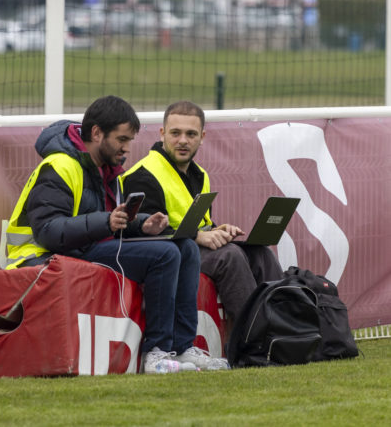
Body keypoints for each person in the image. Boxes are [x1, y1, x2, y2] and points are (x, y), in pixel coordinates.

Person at [5, 96, 229, 373]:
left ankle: (182, 348)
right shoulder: (60, 166)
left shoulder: (107, 168)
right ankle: (156, 353)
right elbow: (48, 232)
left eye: (129, 140)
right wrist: (107, 222)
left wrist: (143, 224)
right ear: (97, 133)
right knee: (165, 254)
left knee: (185, 246)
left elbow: (110, 220)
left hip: (84, 247)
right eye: (122, 139)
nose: (127, 148)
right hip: (45, 255)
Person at [120, 100, 284, 339]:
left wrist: (218, 230)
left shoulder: (200, 174)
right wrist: (198, 236)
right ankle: (256, 341)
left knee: (261, 254)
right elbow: (147, 235)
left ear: (202, 137)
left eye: (191, 134)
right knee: (230, 256)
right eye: (175, 133)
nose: (183, 141)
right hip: (171, 254)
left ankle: (286, 330)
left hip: (194, 246)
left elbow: (199, 223)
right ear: (162, 133)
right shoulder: (142, 175)